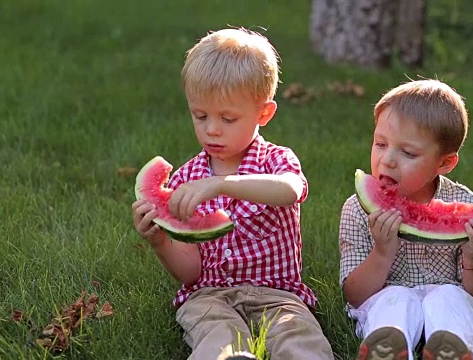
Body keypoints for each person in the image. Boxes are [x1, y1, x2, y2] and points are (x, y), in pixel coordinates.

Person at [132, 27, 334, 360]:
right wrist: (160, 242)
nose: (211, 128)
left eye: (227, 118)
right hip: (209, 296)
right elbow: (191, 272)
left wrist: (223, 183)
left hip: (278, 295)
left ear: (264, 114)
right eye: (200, 116)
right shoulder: (185, 179)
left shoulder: (276, 160)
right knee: (217, 333)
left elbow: (290, 190)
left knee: (297, 335)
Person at [338, 79, 473, 360]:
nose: (387, 160)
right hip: (386, 296)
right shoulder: (357, 209)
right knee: (394, 300)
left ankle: (452, 348)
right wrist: (381, 253)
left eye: (408, 153)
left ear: (445, 163)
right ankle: (388, 346)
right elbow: (355, 295)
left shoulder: (469, 206)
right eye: (380, 143)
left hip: (452, 299)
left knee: (450, 299)